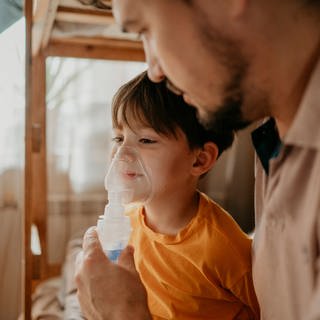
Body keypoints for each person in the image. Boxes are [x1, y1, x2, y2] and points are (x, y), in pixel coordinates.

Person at [75, 1, 320, 319]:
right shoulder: (274, 146)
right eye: (119, 138)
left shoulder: (222, 245)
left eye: (146, 29)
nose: (155, 71)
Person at [111, 71, 259, 319]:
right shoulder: (126, 222)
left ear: (200, 159)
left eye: (146, 140)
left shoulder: (222, 247)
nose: (122, 153)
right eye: (118, 138)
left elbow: (270, 309)